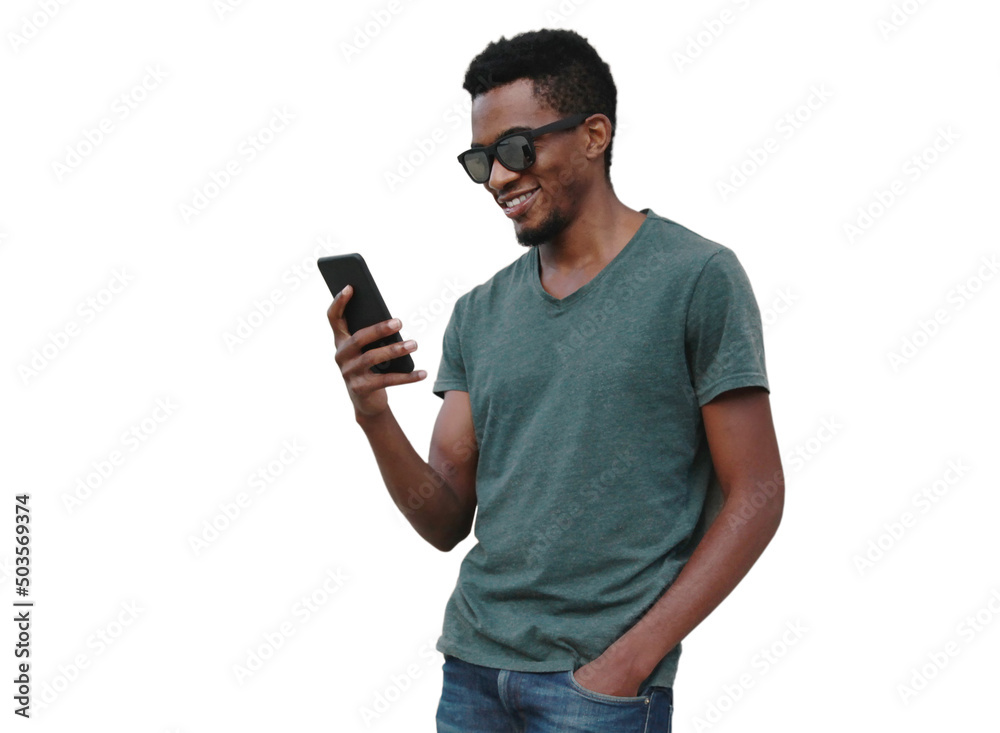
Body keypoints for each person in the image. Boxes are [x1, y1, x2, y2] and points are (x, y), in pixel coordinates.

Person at [327, 28, 784, 733]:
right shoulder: (477, 312)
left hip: (598, 689)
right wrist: (372, 413)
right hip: (472, 675)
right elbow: (444, 517)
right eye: (482, 160)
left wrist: (630, 661)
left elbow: (756, 493)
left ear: (595, 134)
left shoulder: (696, 278)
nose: (500, 178)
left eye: (517, 148)